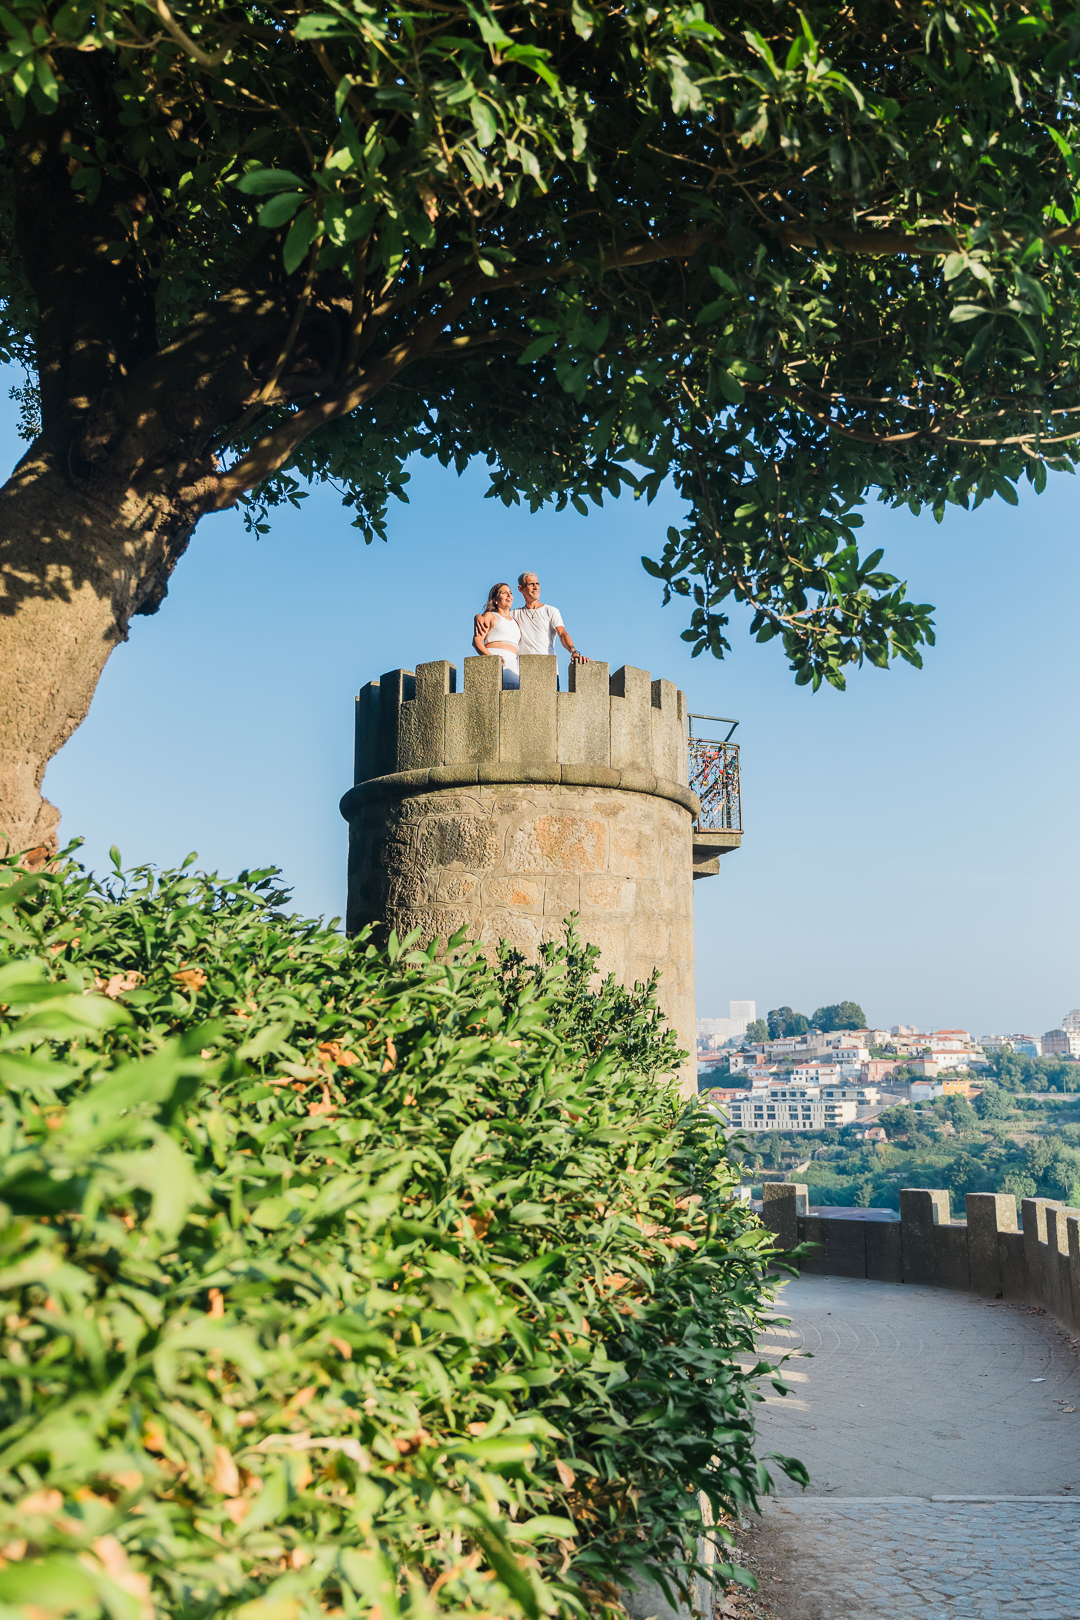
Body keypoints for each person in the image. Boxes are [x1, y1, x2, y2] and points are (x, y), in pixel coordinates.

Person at [511, 571, 588, 668]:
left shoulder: (551, 611)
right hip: (524, 670)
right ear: (521, 588)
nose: (536, 587)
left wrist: (573, 652)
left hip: (548, 668)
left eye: (537, 584)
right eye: (531, 584)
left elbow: (562, 634)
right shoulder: (514, 614)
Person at [472, 582, 521, 689]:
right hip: (496, 663)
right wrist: (492, 660)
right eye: (504, 593)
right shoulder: (490, 616)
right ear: (495, 599)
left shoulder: (516, 621)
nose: (509, 595)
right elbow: (476, 641)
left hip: (513, 667)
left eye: (510, 593)